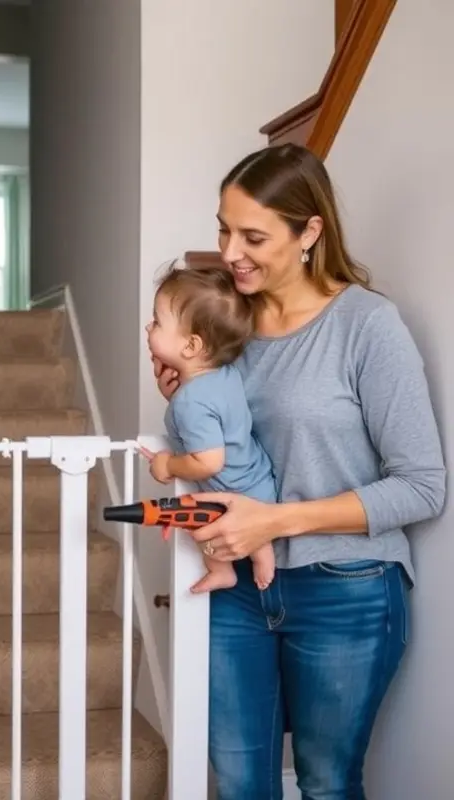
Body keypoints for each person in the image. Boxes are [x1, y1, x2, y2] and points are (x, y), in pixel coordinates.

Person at [151, 143, 445, 800]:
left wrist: (277, 520)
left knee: (326, 783)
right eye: (224, 228)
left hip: (347, 588)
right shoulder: (224, 326)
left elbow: (422, 485)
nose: (230, 252)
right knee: (238, 784)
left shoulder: (368, 326)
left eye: (253, 236)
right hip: (235, 594)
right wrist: (183, 403)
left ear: (309, 231)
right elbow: (233, 449)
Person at [141, 263, 278, 593]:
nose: (149, 326)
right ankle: (261, 555)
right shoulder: (225, 373)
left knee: (199, 524)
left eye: (158, 322)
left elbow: (209, 461)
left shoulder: (191, 401)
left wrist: (167, 464)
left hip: (238, 498)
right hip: (259, 481)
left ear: (190, 347)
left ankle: (227, 569)